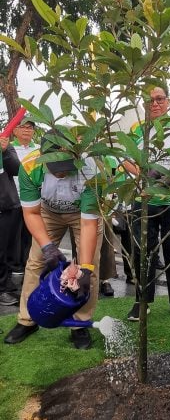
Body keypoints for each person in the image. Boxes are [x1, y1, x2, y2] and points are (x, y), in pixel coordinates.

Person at [4, 128, 103, 349]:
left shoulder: (91, 167)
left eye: (65, 167)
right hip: (47, 213)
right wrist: (48, 247)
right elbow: (31, 213)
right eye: (55, 168)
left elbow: (88, 223)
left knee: (90, 267)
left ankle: (80, 323)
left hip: (82, 215)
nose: (61, 173)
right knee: (36, 261)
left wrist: (84, 268)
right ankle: (28, 319)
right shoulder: (30, 166)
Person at [125, 85, 170, 321]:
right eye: (150, 100)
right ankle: (142, 301)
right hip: (143, 200)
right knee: (143, 254)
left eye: (159, 99)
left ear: (168, 101)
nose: (155, 104)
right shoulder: (137, 129)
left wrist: (168, 179)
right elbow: (126, 159)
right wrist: (144, 181)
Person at [9, 119, 39, 274]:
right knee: (14, 235)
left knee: (30, 235)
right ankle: (14, 267)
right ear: (14, 131)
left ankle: (29, 265)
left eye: (30, 127)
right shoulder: (7, 148)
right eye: (23, 127)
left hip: (33, 200)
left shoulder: (39, 150)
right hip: (13, 199)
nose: (27, 130)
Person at [0, 136, 20, 306]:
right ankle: (3, 288)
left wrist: (5, 151)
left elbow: (16, 169)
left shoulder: (6, 144)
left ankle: (5, 285)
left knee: (6, 250)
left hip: (6, 206)